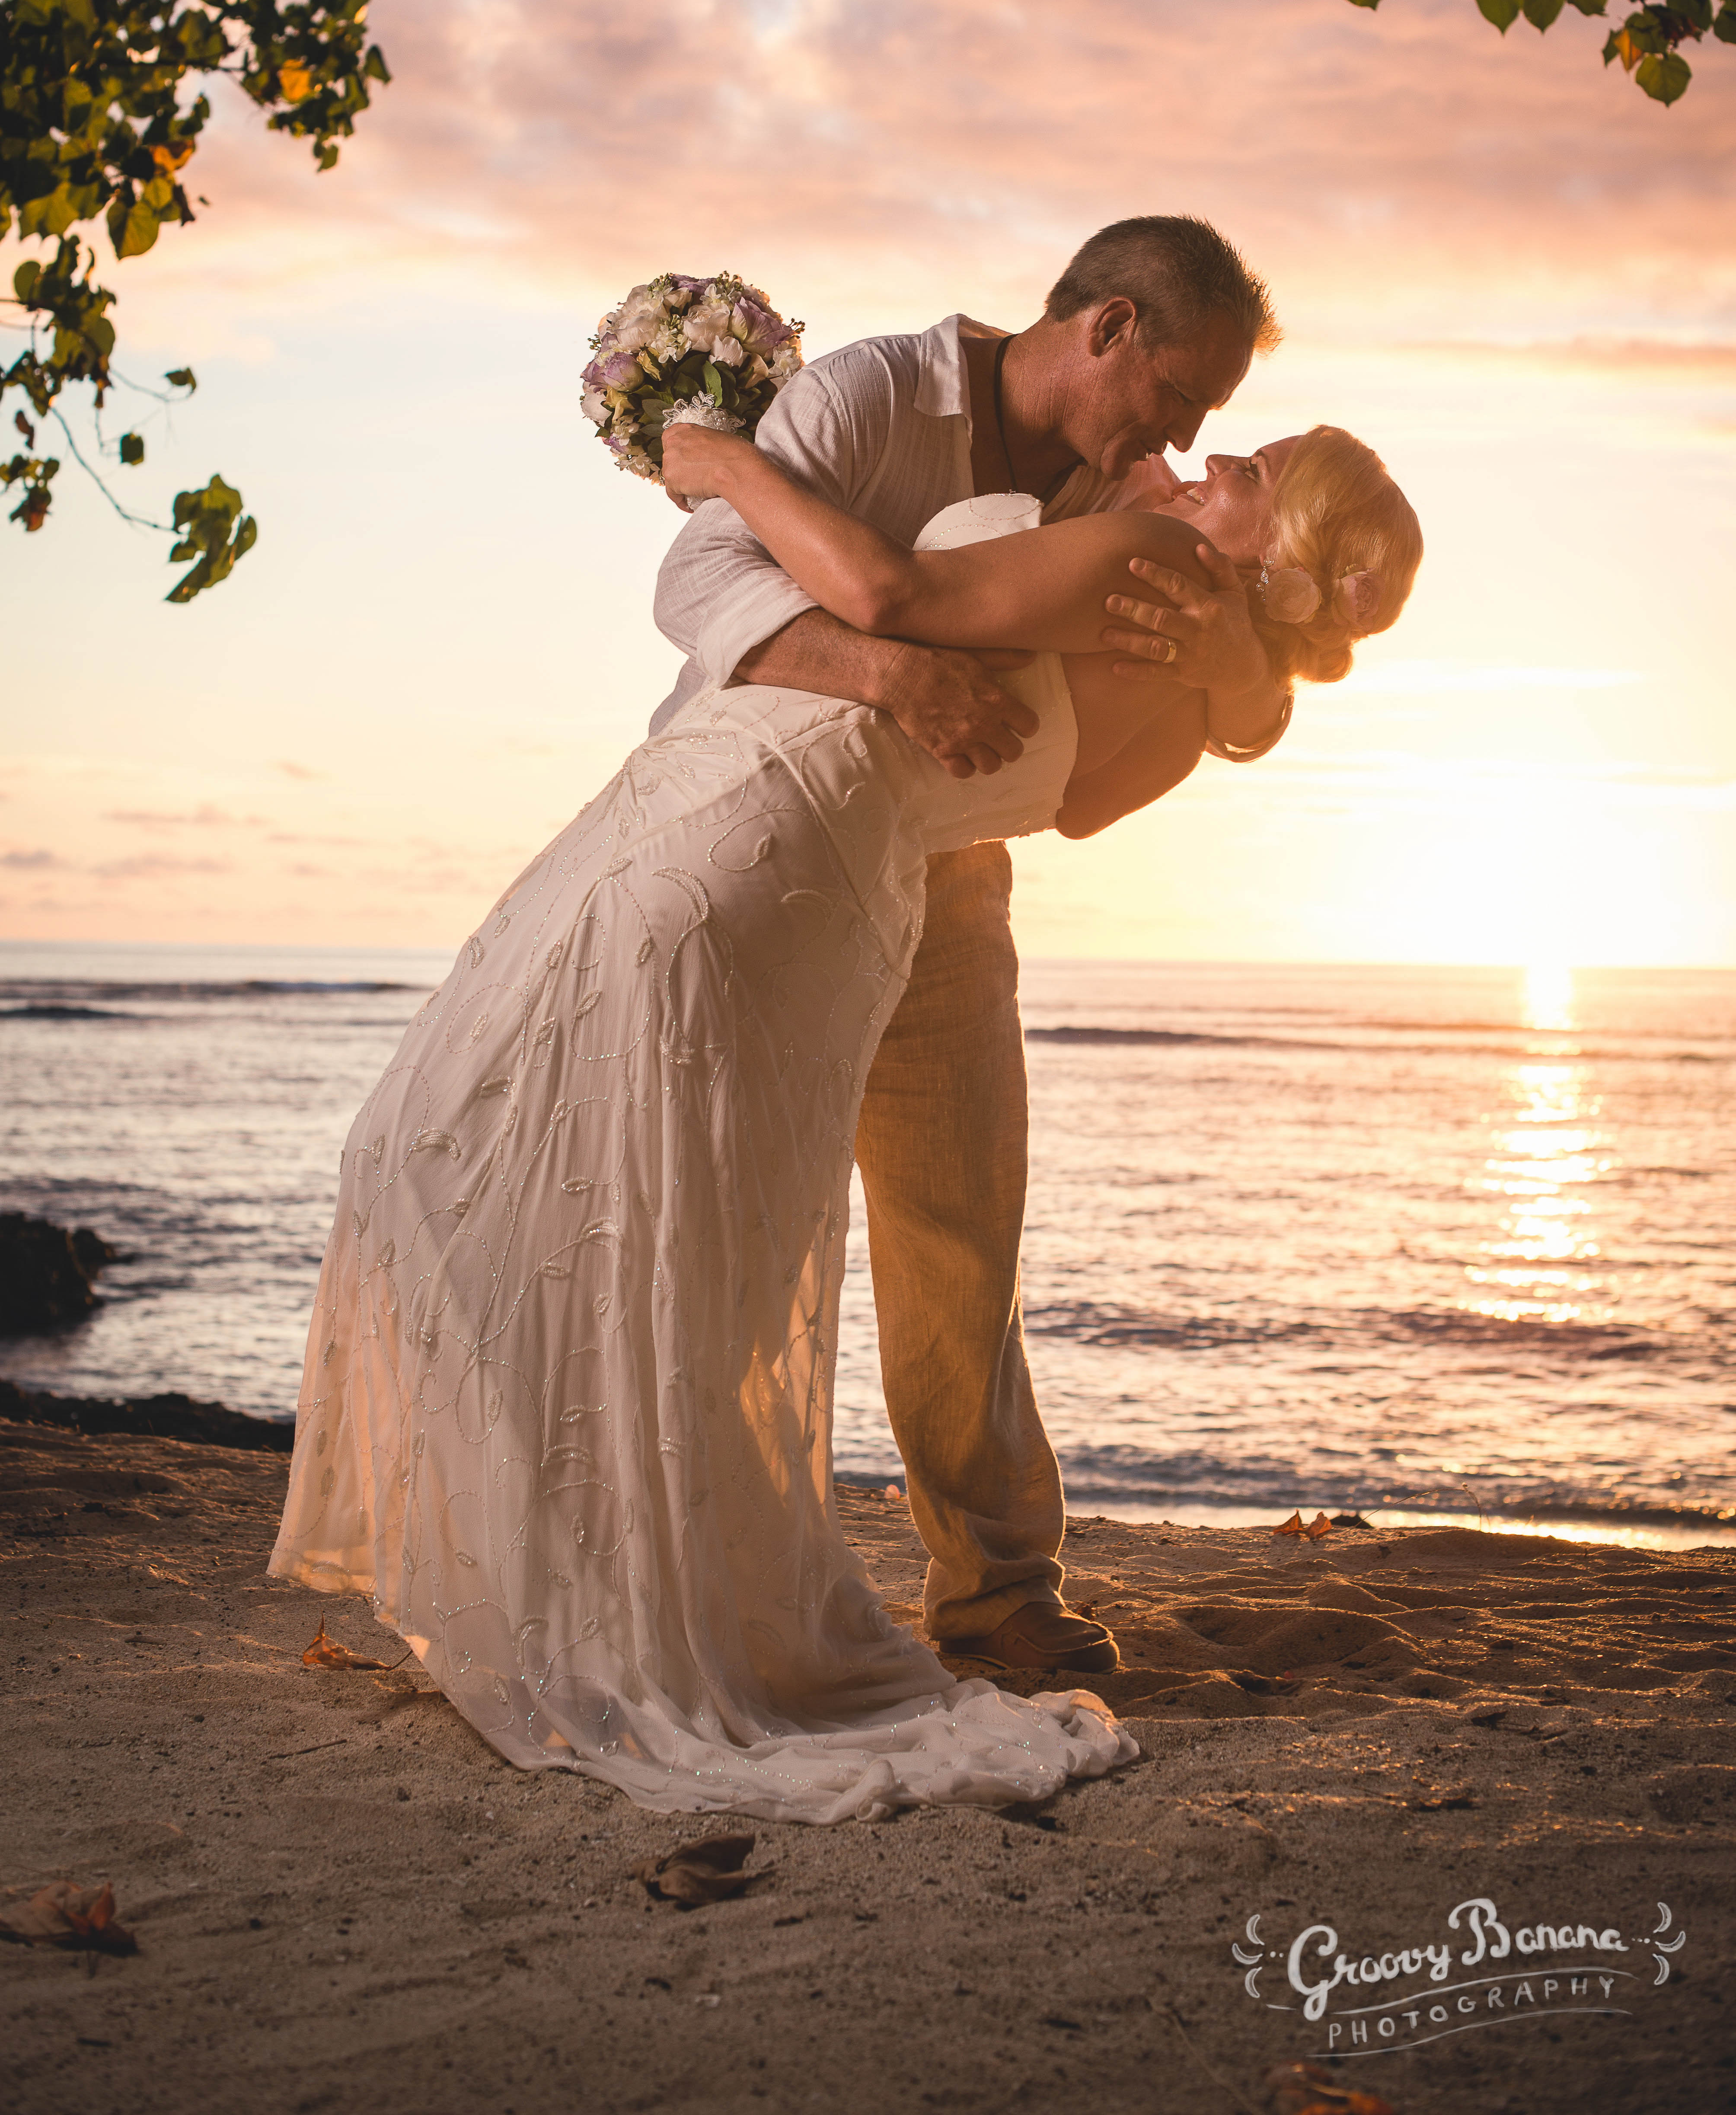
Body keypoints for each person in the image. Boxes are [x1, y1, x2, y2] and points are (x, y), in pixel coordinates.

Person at [269, 416, 1420, 1823]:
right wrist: (1245, 671)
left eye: (1260, 467)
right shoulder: (1183, 698)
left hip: (754, 820)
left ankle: (582, 1584)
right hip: (828, 862)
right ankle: (604, 1573)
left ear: (1274, 544)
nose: (1216, 449)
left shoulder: (1138, 545)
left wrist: (724, 463)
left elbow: (901, 605)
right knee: (664, 1226)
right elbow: (1064, 780)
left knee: (482, 1157)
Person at [649, 216, 1297, 1674]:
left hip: (951, 886)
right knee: (732, 1225)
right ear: (1112, 327)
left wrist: (1243, 668)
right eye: (1182, 398)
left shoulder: (1123, 486)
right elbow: (698, 590)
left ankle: (1000, 1597)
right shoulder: (874, 397)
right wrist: (895, 678)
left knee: (961, 1239)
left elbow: (1245, 714)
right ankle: (689, 1556)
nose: (1189, 440)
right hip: (765, 854)